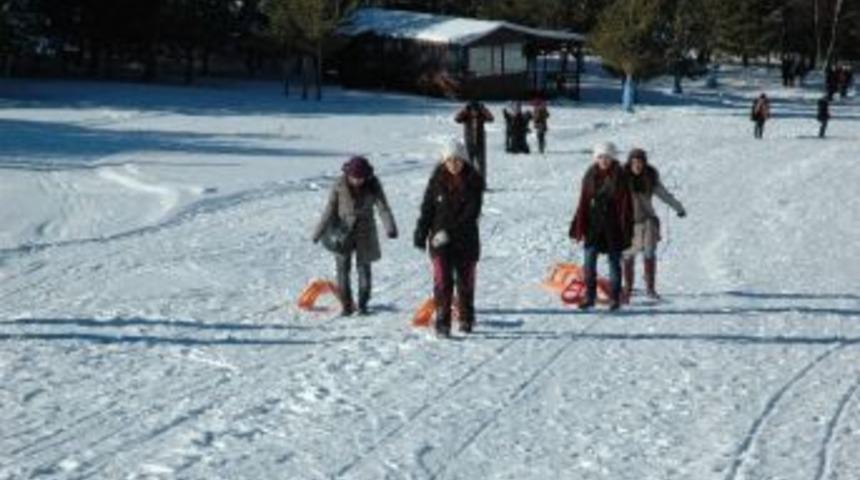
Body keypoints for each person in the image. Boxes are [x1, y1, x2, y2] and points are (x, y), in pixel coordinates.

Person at [413, 138, 485, 337]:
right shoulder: (436, 181)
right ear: (444, 162)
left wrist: (448, 232)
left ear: (464, 161)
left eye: (458, 160)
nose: (454, 164)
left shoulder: (473, 182)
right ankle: (442, 322)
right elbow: (427, 209)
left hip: (466, 240)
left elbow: (471, 213)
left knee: (465, 282)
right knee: (442, 281)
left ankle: (466, 317)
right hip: (439, 242)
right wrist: (421, 232)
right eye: (449, 160)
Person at [312, 156, 398, 316]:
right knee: (342, 271)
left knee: (364, 271)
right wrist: (318, 232)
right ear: (348, 174)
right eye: (354, 178)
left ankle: (363, 304)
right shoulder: (339, 185)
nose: (357, 181)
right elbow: (329, 210)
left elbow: (383, 208)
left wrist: (390, 228)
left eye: (361, 178)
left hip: (366, 233)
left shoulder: (374, 185)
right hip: (342, 234)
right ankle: (346, 305)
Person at [569, 142, 633, 310]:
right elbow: (582, 202)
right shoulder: (589, 175)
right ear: (596, 158)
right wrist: (578, 226)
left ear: (612, 158)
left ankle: (615, 298)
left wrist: (627, 230)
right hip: (594, 227)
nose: (604, 160)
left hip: (614, 227)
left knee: (614, 264)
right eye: (600, 157)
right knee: (589, 263)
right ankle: (590, 296)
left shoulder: (620, 176)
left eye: (607, 157)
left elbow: (627, 206)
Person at [621, 148, 686, 302]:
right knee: (628, 254)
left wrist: (679, 208)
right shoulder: (622, 180)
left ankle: (650, 289)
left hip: (648, 221)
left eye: (640, 162)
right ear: (630, 163)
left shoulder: (650, 179)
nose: (637, 165)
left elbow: (665, 195)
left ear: (644, 163)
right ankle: (627, 289)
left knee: (649, 253)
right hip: (629, 224)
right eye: (634, 162)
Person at [455, 100, 494, 182]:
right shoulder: (466, 116)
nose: (474, 112)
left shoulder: (481, 115)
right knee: (468, 165)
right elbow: (457, 119)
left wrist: (484, 109)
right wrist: (464, 110)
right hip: (469, 143)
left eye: (476, 110)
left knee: (481, 166)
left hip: (480, 143)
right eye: (473, 110)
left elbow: (491, 118)